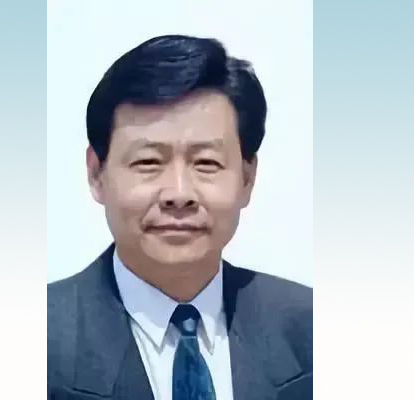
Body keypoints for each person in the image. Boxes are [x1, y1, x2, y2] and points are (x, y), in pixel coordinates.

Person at [47, 34, 312, 400]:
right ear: (96, 174)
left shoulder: (311, 328)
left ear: (247, 179)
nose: (179, 193)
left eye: (206, 163)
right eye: (148, 162)